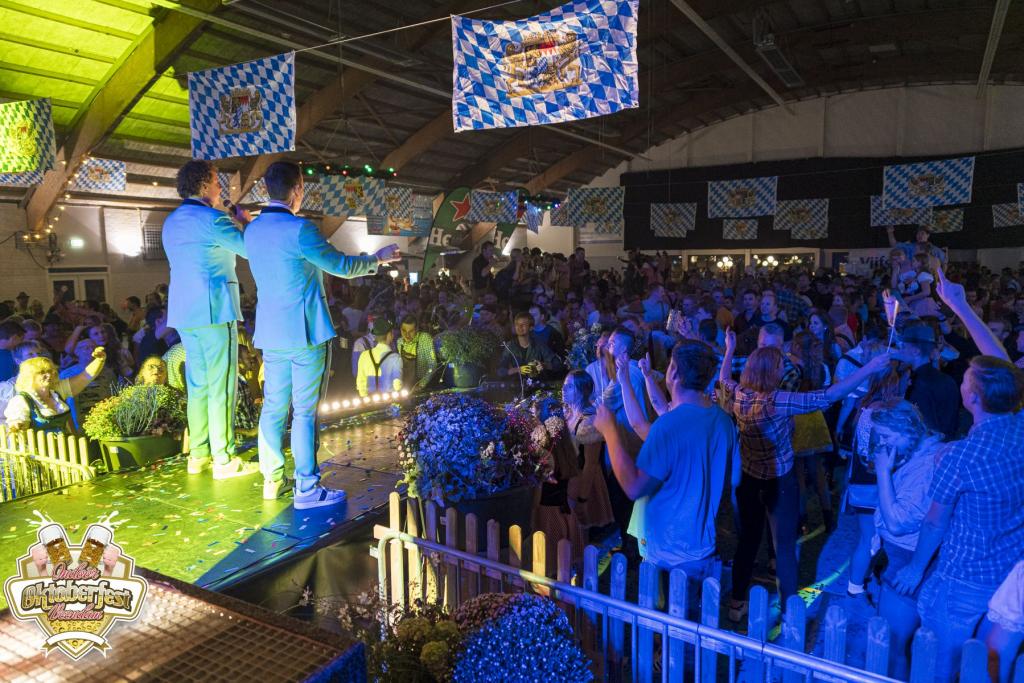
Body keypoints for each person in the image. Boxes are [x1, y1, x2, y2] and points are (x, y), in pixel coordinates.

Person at [245, 161, 398, 508]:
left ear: (269, 188)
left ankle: (272, 479)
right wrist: (377, 259)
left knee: (272, 408)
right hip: (304, 332)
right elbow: (340, 266)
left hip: (269, 333)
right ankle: (307, 489)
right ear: (298, 189)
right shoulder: (301, 230)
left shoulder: (252, 231)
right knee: (303, 412)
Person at [719, 328, 892, 620]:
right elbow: (829, 395)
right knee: (784, 548)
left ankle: (737, 604)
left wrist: (728, 349)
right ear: (770, 372)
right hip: (780, 483)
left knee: (748, 541)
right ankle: (789, 610)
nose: (783, 368)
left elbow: (723, 380)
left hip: (750, 481)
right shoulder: (777, 401)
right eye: (779, 366)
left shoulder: (739, 396)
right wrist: (871, 368)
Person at [595, 340, 741, 597]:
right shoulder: (723, 422)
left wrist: (610, 432)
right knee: (693, 626)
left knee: (664, 624)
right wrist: (626, 380)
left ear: (673, 373)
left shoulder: (669, 426)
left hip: (665, 550)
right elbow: (642, 426)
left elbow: (633, 486)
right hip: (700, 546)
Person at [163, 160, 256, 479]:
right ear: (204, 185)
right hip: (215, 309)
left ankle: (199, 454)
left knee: (198, 385)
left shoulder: (171, 221)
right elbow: (250, 249)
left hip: (185, 312)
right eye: (217, 183)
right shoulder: (214, 219)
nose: (221, 190)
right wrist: (244, 222)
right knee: (223, 385)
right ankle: (224, 458)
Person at [870, 404, 944, 679]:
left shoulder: (927, 467)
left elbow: (897, 522)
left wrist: (882, 472)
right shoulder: (918, 453)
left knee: (892, 644)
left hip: (906, 557)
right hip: (902, 555)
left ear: (908, 430)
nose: (882, 444)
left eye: (887, 437)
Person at [5, 348, 106, 434]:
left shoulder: (56, 391)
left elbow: (85, 376)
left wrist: (99, 360)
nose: (48, 375)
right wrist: (17, 424)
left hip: (69, 449)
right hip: (42, 454)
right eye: (42, 372)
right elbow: (17, 425)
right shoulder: (20, 400)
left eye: (50, 371)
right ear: (29, 376)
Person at [561, 370, 614, 533]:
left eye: (569, 386)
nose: (563, 390)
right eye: (564, 385)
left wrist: (582, 499)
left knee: (582, 534)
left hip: (583, 483)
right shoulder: (569, 413)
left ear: (582, 391)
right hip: (568, 480)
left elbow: (590, 464)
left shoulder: (589, 422)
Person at [896, 322, 960, 440]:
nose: (900, 350)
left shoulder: (919, 383)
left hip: (930, 448)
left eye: (903, 347)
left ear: (916, 351)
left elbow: (922, 425)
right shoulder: (946, 378)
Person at [498, 311, 563, 380]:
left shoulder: (539, 344)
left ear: (531, 328)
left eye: (523, 324)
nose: (520, 327)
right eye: (517, 324)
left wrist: (544, 365)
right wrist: (517, 369)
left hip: (537, 385)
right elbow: (499, 371)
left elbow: (558, 364)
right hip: (517, 386)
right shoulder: (510, 346)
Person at [356, 318, 403, 398]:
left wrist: (365, 398)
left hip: (369, 401)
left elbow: (361, 383)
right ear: (389, 335)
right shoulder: (395, 358)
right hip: (389, 400)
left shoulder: (364, 355)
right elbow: (397, 385)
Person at [396, 315, 436, 388]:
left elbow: (433, 365)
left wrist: (422, 384)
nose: (407, 335)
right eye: (404, 331)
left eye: (411, 331)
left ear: (417, 329)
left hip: (423, 387)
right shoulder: (399, 342)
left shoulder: (425, 338)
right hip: (405, 388)